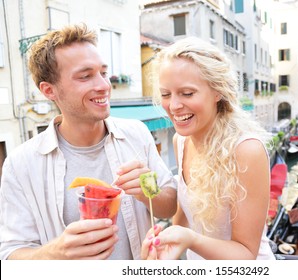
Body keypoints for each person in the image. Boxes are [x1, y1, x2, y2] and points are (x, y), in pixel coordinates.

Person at [0, 23, 177, 260]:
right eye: (85, 76)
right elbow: (10, 253)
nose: (104, 86)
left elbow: (170, 205)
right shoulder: (20, 163)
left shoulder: (137, 134)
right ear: (49, 91)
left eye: (103, 73)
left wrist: (148, 190)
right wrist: (56, 253)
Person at [141, 37, 275, 260]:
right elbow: (184, 214)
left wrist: (191, 240)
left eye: (187, 93)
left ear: (217, 92)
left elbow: (246, 254)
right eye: (166, 95)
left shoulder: (246, 151)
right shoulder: (180, 142)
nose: (173, 106)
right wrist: (166, 245)